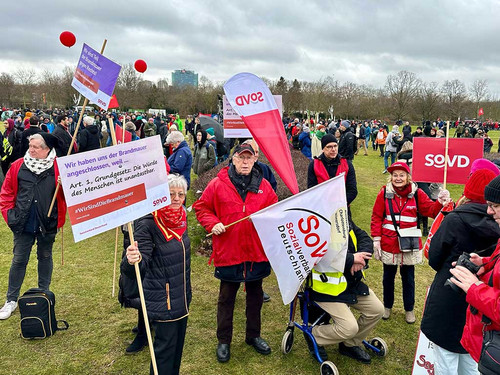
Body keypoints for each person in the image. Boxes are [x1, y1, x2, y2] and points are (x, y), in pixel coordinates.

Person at [193, 143, 278, 363]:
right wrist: (213, 223)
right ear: (233, 160)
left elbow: (275, 209)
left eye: (249, 159)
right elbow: (202, 208)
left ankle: (253, 336)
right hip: (229, 252)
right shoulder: (218, 184)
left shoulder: (264, 186)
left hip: (255, 253)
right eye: (241, 158)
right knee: (226, 298)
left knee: (255, 297)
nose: (246, 162)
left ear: (254, 161)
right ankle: (224, 340)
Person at [420, 169, 499, 375]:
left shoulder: (455, 219)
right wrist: (484, 263)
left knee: (445, 361)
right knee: (472, 360)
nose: (491, 212)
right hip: (482, 306)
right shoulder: (495, 224)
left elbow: (434, 256)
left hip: (451, 294)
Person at [122, 174, 191, 375]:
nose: (177, 198)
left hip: (183, 296)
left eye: (180, 194)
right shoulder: (148, 223)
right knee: (163, 353)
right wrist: (133, 259)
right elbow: (139, 266)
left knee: (177, 350)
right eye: (170, 194)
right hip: (163, 299)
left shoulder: (181, 218)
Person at [371, 161, 450, 324]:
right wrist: (376, 240)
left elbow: (430, 211)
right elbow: (377, 217)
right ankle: (387, 306)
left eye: (401, 175)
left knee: (408, 278)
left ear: (408, 177)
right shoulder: (384, 193)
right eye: (395, 175)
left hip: (409, 243)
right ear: (391, 177)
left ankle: (409, 309)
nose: (398, 178)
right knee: (388, 277)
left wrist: (440, 201)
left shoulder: (417, 193)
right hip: (389, 242)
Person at [0, 133, 66, 320]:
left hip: (47, 223)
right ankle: (11, 300)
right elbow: (6, 194)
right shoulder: (18, 165)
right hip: (23, 223)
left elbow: (70, 196)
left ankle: (43, 295)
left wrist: (65, 186)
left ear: (47, 149)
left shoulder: (59, 168)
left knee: (45, 257)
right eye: (31, 145)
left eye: (36, 147)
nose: (31, 149)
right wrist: (10, 216)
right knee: (19, 260)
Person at [307, 217, 384, 364]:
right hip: (326, 289)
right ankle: (314, 335)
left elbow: (364, 237)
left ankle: (349, 344)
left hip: (351, 284)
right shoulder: (314, 223)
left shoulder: (341, 216)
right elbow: (318, 255)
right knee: (349, 327)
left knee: (377, 310)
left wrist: (361, 259)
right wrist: (351, 259)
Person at [449, 175, 500, 365]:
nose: (489, 211)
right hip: (487, 341)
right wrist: (485, 263)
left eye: (494, 205)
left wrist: (475, 287)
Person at [307, 134, 358, 206]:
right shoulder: (314, 165)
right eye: (329, 147)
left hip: (342, 207)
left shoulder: (347, 164)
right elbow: (311, 189)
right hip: (322, 207)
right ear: (323, 149)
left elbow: (352, 190)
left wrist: (339, 203)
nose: (333, 149)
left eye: (335, 146)